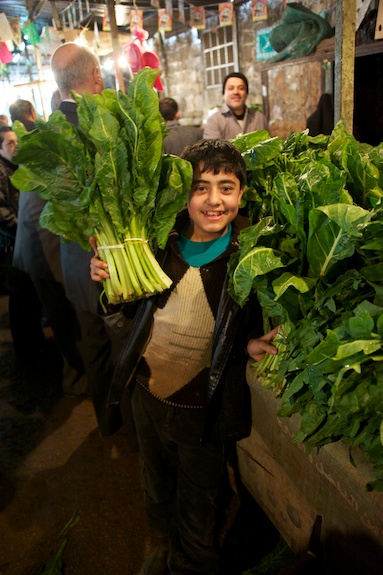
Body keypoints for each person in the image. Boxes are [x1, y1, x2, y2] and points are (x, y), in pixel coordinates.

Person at [90, 139, 278, 575]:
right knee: (155, 485)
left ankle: (192, 562)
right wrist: (105, 282)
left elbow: (244, 320)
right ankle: (158, 542)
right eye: (201, 187)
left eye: (226, 187)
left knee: (200, 499)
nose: (214, 200)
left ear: (241, 195)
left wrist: (249, 344)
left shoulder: (249, 253)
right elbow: (123, 314)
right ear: (184, 196)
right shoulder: (157, 242)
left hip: (202, 411)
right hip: (147, 394)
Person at [50, 42, 131, 428]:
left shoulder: (49, 131)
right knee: (125, 352)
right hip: (109, 265)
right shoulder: (101, 123)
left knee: (94, 349)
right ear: (97, 75)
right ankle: (133, 431)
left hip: (74, 267)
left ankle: (106, 422)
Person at [11, 99, 87, 395]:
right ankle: (77, 373)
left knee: (64, 316)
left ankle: (77, 368)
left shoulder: (49, 147)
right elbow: (37, 211)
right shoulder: (48, 150)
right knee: (62, 317)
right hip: (42, 252)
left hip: (47, 248)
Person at [0, 125, 45, 357]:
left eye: (16, 142)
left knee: (25, 296)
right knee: (19, 297)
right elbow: (2, 211)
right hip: (9, 243)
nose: (15, 147)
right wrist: (21, 227)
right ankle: (27, 349)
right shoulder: (1, 170)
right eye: (9, 143)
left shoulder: (11, 167)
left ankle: (32, 343)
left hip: (18, 239)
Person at [203, 72, 268, 140]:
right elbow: (212, 150)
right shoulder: (214, 121)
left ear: (246, 94)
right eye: (231, 88)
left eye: (241, 88)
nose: (236, 92)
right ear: (223, 94)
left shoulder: (259, 118)